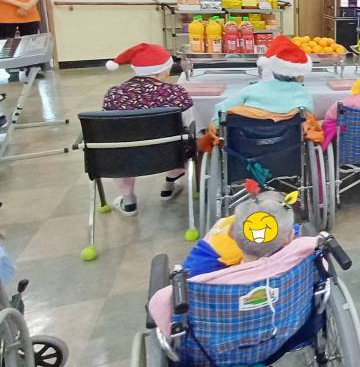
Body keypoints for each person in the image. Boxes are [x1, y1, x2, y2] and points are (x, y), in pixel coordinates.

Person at [102, 42, 193, 215]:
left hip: (126, 156)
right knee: (186, 139)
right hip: (169, 155)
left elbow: (110, 129)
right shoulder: (176, 93)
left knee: (116, 144)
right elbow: (187, 124)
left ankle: (128, 200)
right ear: (163, 70)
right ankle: (170, 183)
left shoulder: (114, 94)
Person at [181, 189, 296, 277]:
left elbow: (187, 278)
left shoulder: (210, 261)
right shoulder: (298, 260)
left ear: (231, 233)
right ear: (289, 237)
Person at [214, 35, 315, 118]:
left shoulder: (250, 90)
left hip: (248, 136)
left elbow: (220, 110)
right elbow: (308, 119)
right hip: (290, 136)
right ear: (298, 76)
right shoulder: (303, 94)